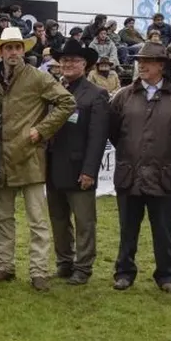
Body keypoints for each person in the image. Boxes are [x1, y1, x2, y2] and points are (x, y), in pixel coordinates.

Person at [0, 27, 75, 292]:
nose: (13, 52)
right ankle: (5, 266)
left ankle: (39, 270)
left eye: (17, 47)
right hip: (1, 159)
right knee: (3, 219)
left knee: (37, 220)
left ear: (23, 50)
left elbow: (67, 102)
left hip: (30, 157)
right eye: (8, 48)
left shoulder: (38, 77)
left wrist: (42, 130)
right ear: (1, 51)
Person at [110, 41, 171, 293]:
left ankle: (166, 275)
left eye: (148, 61)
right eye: (139, 61)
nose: (141, 65)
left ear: (162, 66)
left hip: (165, 176)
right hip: (130, 174)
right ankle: (124, 272)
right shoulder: (123, 96)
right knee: (127, 229)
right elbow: (114, 132)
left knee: (164, 230)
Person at [46, 40, 110, 285]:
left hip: (79, 169)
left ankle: (83, 267)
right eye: (64, 60)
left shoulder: (96, 95)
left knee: (84, 222)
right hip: (54, 167)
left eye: (73, 60)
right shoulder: (54, 91)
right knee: (58, 220)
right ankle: (64, 262)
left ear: (84, 64)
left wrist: (89, 171)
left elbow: (98, 138)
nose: (68, 64)